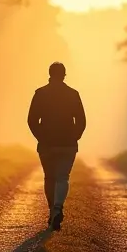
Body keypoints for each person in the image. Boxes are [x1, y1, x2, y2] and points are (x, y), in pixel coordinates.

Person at [27, 61, 86, 231]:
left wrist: (41, 136)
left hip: (47, 145)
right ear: (64, 75)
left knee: (49, 177)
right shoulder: (73, 94)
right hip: (67, 144)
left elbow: (31, 120)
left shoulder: (40, 94)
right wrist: (74, 137)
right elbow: (81, 121)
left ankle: (52, 211)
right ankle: (58, 207)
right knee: (63, 177)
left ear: (50, 74)